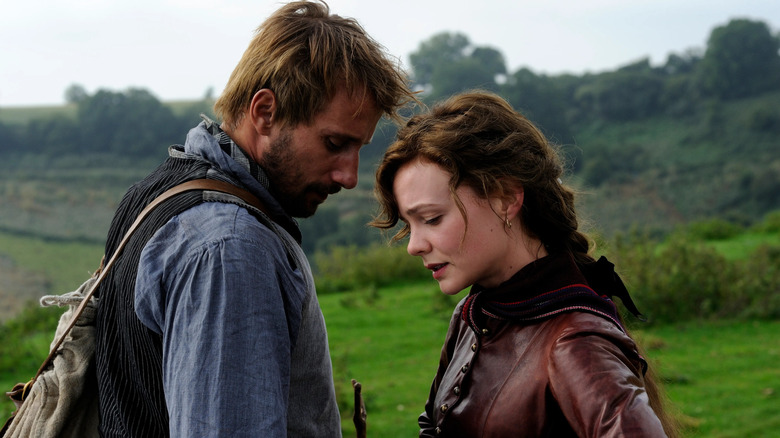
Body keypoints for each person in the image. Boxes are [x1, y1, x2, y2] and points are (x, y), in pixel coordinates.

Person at [93, 1, 416, 436]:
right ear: (264, 112)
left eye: (359, 148)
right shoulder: (231, 249)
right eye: (334, 143)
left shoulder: (151, 195)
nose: (350, 176)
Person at [371, 91, 678, 437]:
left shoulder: (576, 342)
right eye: (408, 225)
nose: (413, 246)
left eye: (431, 218)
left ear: (506, 199)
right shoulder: (472, 314)